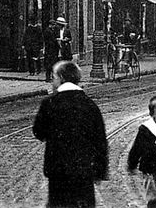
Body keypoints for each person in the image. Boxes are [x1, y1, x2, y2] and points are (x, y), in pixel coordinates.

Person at [34, 61, 108, 208]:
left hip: (58, 170)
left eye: (54, 77)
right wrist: (100, 170)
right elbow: (100, 141)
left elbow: (39, 132)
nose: (53, 82)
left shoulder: (49, 104)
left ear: (61, 78)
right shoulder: (90, 105)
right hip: (84, 170)